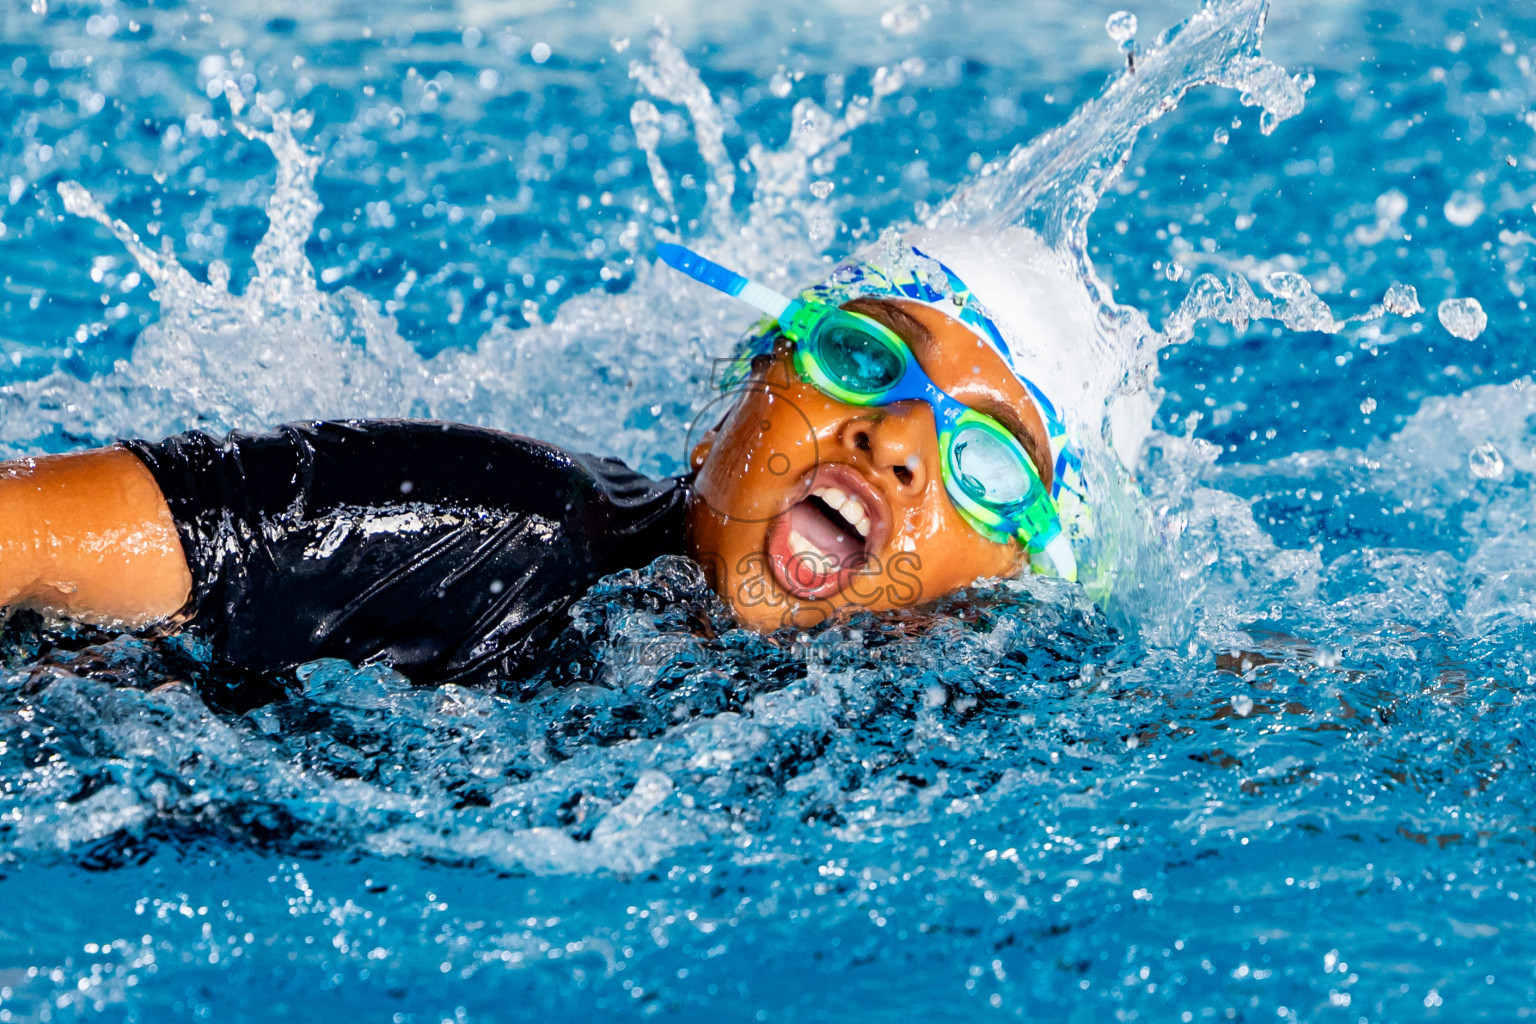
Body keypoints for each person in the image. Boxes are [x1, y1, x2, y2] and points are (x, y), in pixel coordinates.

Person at [0, 229, 1127, 688]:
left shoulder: (967, 730)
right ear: (730, 407)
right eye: (859, 356)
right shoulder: (492, 523)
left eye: (986, 463)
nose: (898, 443)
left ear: (1008, 582)